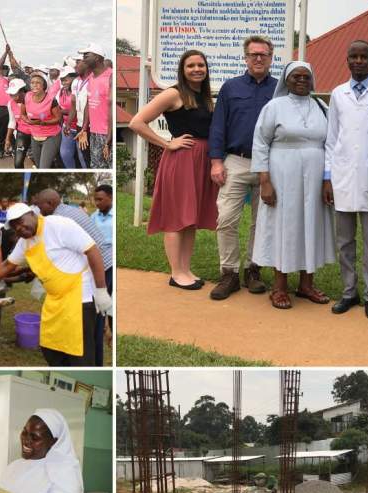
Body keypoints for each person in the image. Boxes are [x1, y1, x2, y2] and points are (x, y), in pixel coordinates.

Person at [0, 203, 112, 366]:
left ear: (32, 214)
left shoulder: (58, 225)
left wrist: (101, 291)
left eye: (20, 221)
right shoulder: (25, 242)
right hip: (55, 300)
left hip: (80, 298)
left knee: (80, 353)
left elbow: (93, 251)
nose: (19, 228)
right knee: (51, 349)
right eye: (14, 226)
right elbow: (7, 265)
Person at [129, 49, 219, 289]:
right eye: (191, 66)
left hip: (202, 160)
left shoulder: (204, 96)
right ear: (183, 69)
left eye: (201, 65)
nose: (197, 69)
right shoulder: (173, 94)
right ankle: (176, 272)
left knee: (191, 219)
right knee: (177, 218)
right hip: (182, 160)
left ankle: (186, 269)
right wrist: (168, 143)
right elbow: (136, 122)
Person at [250, 61, 336, 309]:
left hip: (316, 177)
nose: (301, 80)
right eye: (296, 76)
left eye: (306, 77)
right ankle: (279, 288)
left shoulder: (321, 106)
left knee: (311, 225)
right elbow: (260, 143)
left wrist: (327, 179)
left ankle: (306, 285)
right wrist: (264, 181)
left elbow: (330, 144)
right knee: (284, 227)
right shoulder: (274, 106)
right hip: (282, 176)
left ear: (312, 80)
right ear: (285, 80)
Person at [323, 39, 368, 319]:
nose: (358, 61)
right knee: (344, 241)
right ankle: (348, 292)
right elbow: (331, 140)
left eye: (363, 56)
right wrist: (327, 178)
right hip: (342, 177)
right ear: (347, 60)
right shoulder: (338, 94)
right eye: (353, 56)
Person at [208, 35, 277, 299]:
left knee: (262, 222)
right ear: (245, 58)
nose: (258, 58)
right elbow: (218, 126)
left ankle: (253, 269)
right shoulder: (230, 87)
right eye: (253, 54)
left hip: (269, 165)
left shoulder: (280, 89)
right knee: (226, 219)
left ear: (271, 58)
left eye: (263, 54)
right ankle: (229, 273)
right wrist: (216, 162)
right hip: (235, 160)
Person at [37, 188, 113, 365]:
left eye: (40, 206)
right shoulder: (67, 211)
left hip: (100, 266)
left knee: (94, 324)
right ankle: (91, 360)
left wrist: (100, 290)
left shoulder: (62, 219)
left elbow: (91, 252)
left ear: (50, 204)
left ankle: (95, 363)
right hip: (97, 264)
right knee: (94, 323)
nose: (39, 210)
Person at [78, 44, 112, 168]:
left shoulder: (110, 77)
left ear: (97, 58)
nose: (83, 59)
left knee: (110, 166)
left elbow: (112, 108)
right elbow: (89, 102)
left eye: (86, 56)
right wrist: (84, 128)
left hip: (108, 134)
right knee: (96, 166)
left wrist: (109, 139)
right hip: (94, 132)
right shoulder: (91, 77)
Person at [23, 73, 62, 168]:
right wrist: (27, 121)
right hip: (35, 136)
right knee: (39, 165)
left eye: (38, 83)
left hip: (51, 136)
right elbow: (23, 114)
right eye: (32, 83)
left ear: (44, 85)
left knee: (43, 167)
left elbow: (58, 118)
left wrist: (43, 123)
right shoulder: (27, 96)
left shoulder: (51, 100)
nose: (34, 85)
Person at [5, 78, 33, 169]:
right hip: (22, 134)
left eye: (15, 94)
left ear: (22, 91)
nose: (13, 97)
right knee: (17, 163)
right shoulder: (10, 103)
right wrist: (8, 139)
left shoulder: (32, 100)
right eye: (11, 94)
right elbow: (12, 122)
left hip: (36, 134)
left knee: (38, 161)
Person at [91, 184, 113, 296]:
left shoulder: (115, 216)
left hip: (112, 259)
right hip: (99, 260)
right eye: (96, 200)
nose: (97, 203)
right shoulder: (93, 217)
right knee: (100, 293)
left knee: (109, 292)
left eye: (100, 199)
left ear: (110, 197)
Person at [57, 67, 80, 168]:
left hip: (80, 128)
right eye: (62, 80)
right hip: (67, 128)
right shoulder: (61, 92)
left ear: (74, 78)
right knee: (65, 154)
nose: (63, 83)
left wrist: (62, 111)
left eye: (66, 80)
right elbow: (57, 108)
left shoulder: (80, 90)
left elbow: (77, 110)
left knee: (82, 157)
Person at [0, 54, 12, 158]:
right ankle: (0, 150)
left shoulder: (11, 80)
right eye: (3, 70)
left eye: (6, 70)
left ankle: (8, 149)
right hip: (0, 109)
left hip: (11, 109)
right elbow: (0, 64)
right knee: (1, 131)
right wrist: (5, 53)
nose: (4, 71)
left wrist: (11, 55)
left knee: (10, 130)